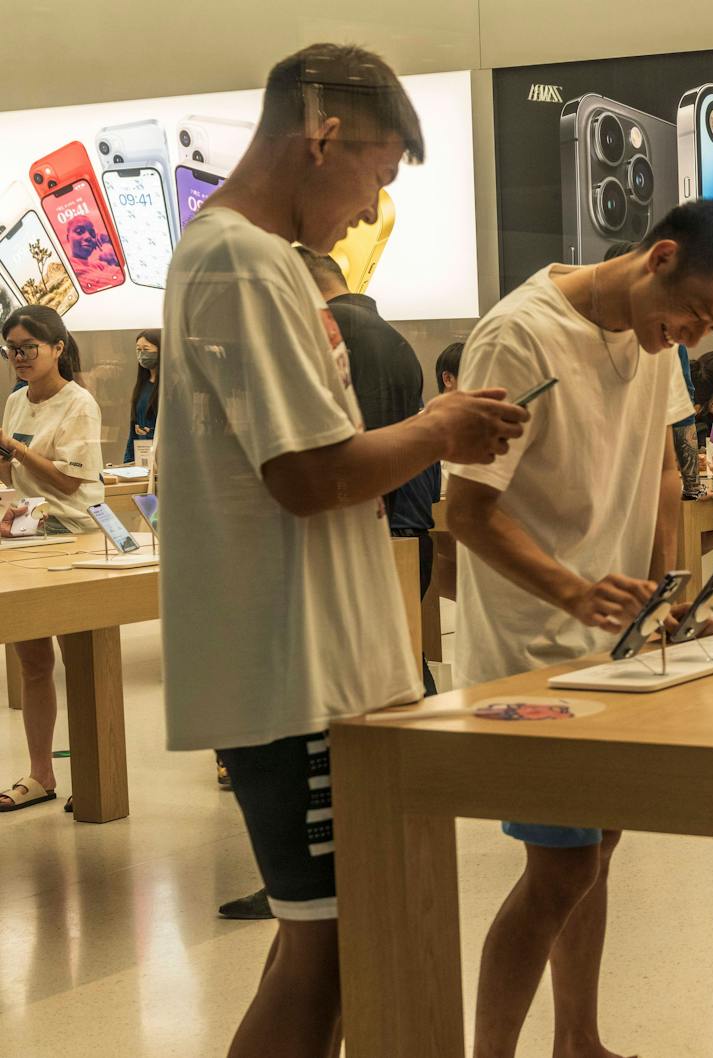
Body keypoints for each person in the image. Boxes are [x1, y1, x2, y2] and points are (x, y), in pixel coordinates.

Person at [157, 44, 525, 1058]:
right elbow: (308, 475)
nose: (369, 213)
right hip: (293, 673)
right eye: (376, 178)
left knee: (325, 953)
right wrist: (442, 427)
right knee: (323, 962)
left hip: (321, 667)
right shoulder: (239, 258)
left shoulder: (256, 258)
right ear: (324, 138)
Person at [445, 198, 713, 1058]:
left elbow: (664, 469)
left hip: (617, 644)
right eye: (697, 316)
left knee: (598, 851)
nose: (696, 338)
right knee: (561, 870)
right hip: (531, 651)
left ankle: (578, 1041)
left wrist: (666, 591)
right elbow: (468, 510)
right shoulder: (517, 338)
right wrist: (573, 591)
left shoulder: (652, 335)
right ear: (658, 257)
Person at [298, 247, 442, 696]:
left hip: (371, 529)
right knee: (399, 652)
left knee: (386, 665)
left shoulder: (331, 338)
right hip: (406, 521)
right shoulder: (396, 341)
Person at [0, 305, 104, 814]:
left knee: (81, 662)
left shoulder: (78, 402)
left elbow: (70, 481)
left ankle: (96, 775)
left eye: (27, 348)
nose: (18, 358)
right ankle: (41, 773)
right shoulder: (16, 401)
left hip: (74, 540)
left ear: (57, 348)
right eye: (11, 349)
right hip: (25, 538)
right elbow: (7, 474)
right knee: (33, 661)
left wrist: (13, 452)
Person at [123, 329, 160, 463]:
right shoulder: (142, 385)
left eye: (146, 349)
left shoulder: (171, 386)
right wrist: (128, 462)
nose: (141, 354)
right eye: (138, 349)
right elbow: (134, 429)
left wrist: (150, 432)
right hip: (142, 457)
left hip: (163, 460)